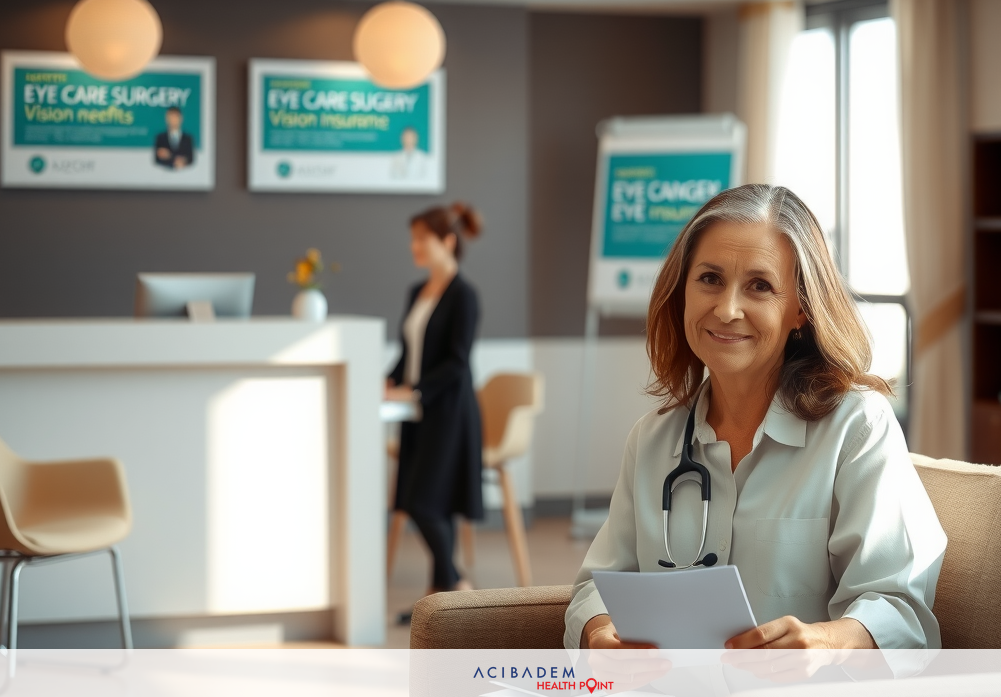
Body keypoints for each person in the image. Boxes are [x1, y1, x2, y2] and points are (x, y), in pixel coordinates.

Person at [566, 184, 946, 652]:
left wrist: (825, 643)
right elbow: (596, 587)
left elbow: (901, 610)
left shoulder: (858, 427)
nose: (726, 309)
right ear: (682, 290)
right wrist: (600, 630)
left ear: (800, 310)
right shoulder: (652, 440)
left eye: (760, 286)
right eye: (709, 278)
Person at [387, 202, 485, 605]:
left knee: (426, 504)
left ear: (447, 241)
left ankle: (456, 586)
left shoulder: (464, 295)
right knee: (417, 502)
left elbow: (456, 362)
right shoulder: (417, 291)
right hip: (416, 414)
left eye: (422, 239)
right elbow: (410, 350)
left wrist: (415, 390)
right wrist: (390, 379)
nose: (415, 247)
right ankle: (442, 593)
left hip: (448, 412)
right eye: (413, 240)